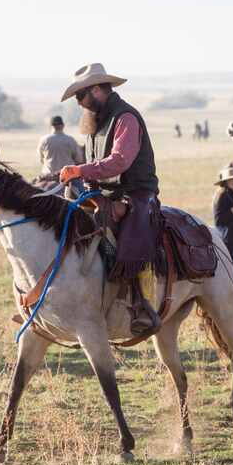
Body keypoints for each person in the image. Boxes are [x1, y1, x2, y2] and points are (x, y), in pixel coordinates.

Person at [58, 63, 161, 336]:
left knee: (131, 241)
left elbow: (120, 161)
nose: (79, 103)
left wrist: (80, 170)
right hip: (102, 194)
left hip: (135, 195)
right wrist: (81, 179)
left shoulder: (126, 117)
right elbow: (96, 163)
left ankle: (142, 305)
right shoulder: (96, 121)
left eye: (80, 96)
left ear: (96, 89)